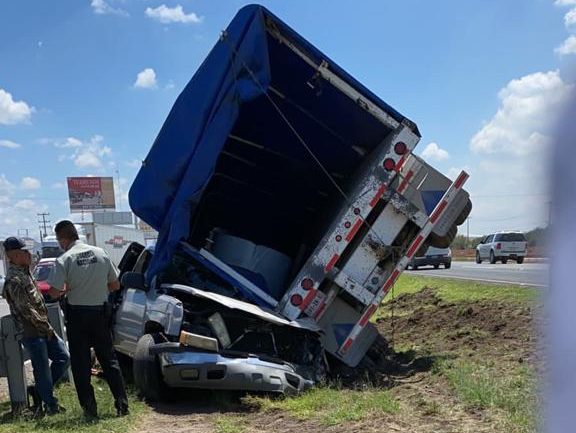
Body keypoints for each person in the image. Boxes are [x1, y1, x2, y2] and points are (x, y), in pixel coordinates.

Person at [47, 220, 129, 419]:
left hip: (77, 316)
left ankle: (90, 410)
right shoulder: (101, 253)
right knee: (109, 360)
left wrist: (69, 289)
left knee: (81, 364)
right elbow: (115, 285)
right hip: (100, 313)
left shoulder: (64, 259)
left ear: (63, 238)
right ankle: (122, 405)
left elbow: (54, 292)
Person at [3, 237, 69, 417]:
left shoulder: (26, 272)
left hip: (42, 327)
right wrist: (45, 328)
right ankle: (50, 405)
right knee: (41, 369)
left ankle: (40, 391)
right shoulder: (14, 279)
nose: (30, 255)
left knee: (63, 358)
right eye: (26, 252)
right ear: (15, 255)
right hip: (32, 331)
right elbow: (26, 310)